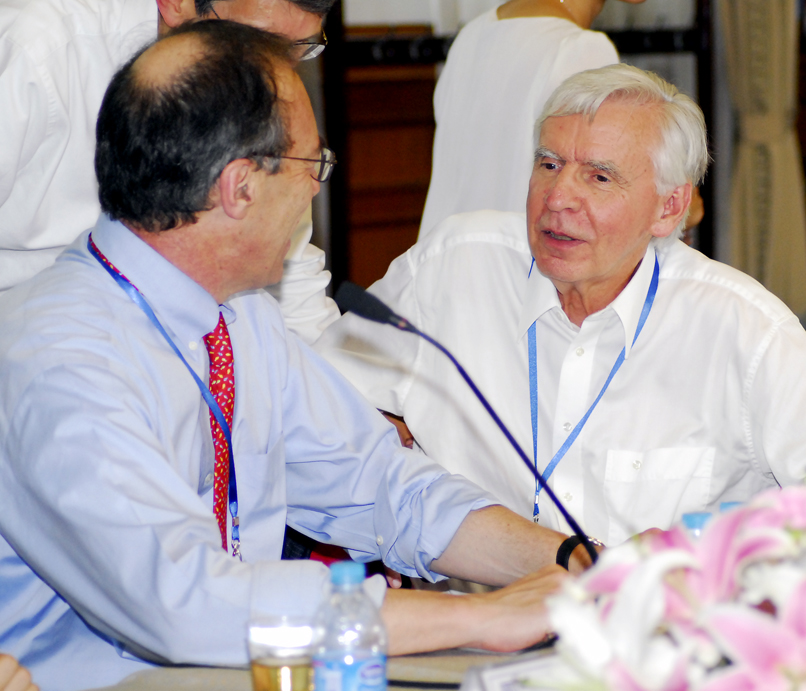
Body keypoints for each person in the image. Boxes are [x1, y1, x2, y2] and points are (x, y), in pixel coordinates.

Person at [0, 22, 588, 691]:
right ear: (240, 186)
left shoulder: (240, 314)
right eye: (313, 165)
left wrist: (578, 563)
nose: (315, 190)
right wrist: (484, 617)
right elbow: (186, 602)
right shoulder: (58, 359)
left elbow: (379, 483)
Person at [316, 64, 806, 548]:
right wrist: (383, 443)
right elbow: (313, 411)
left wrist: (722, 553)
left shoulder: (736, 325)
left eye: (599, 177)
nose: (558, 197)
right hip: (465, 630)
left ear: (669, 207)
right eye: (549, 164)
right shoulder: (454, 267)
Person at [0, 0, 339, 343]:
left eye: (299, 48)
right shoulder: (37, 47)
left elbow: (295, 295)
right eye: (258, 42)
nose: (279, 72)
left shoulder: (256, 88)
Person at [419, 0, 639, 237]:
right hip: (519, 253)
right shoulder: (581, 50)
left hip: (443, 251)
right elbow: (600, 198)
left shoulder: (473, 33)